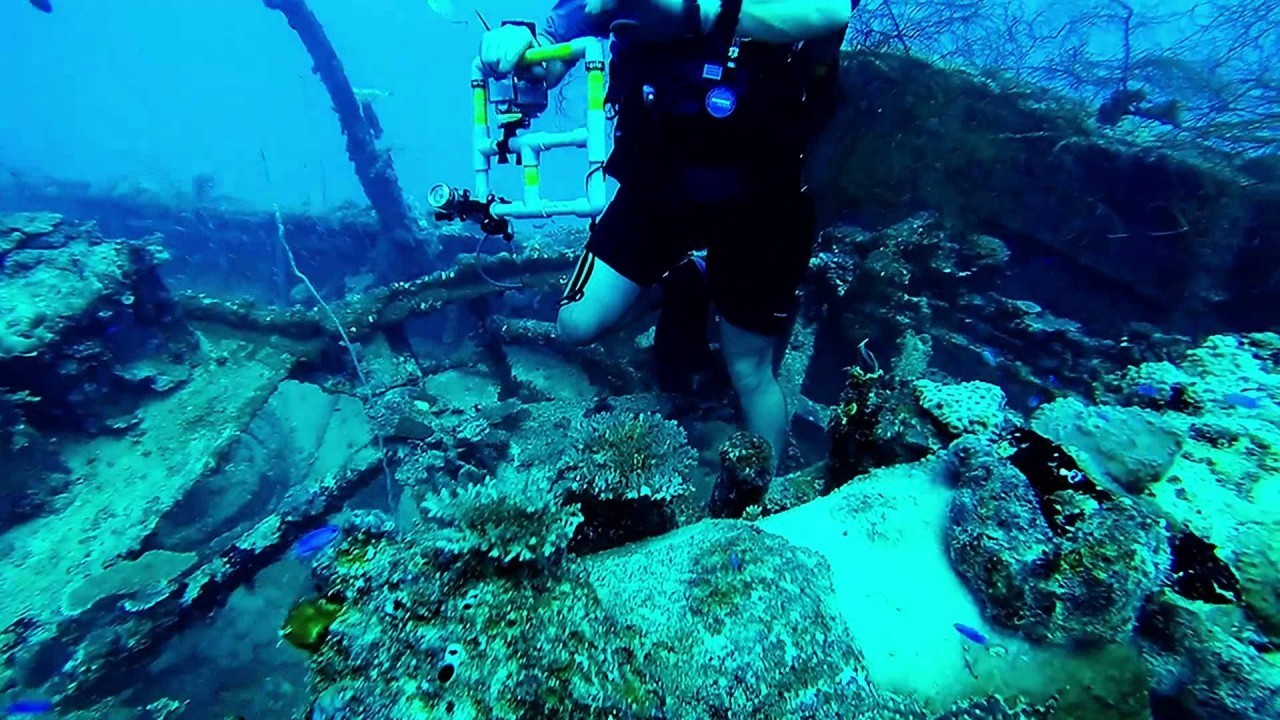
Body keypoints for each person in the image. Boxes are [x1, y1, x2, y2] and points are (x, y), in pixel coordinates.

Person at [479, 0, 852, 469]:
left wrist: (687, 11)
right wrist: (519, 41)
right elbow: (555, 50)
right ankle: (687, 276)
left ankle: (763, 505)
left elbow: (830, 11)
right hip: (658, 185)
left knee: (749, 371)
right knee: (576, 324)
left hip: (764, 194)